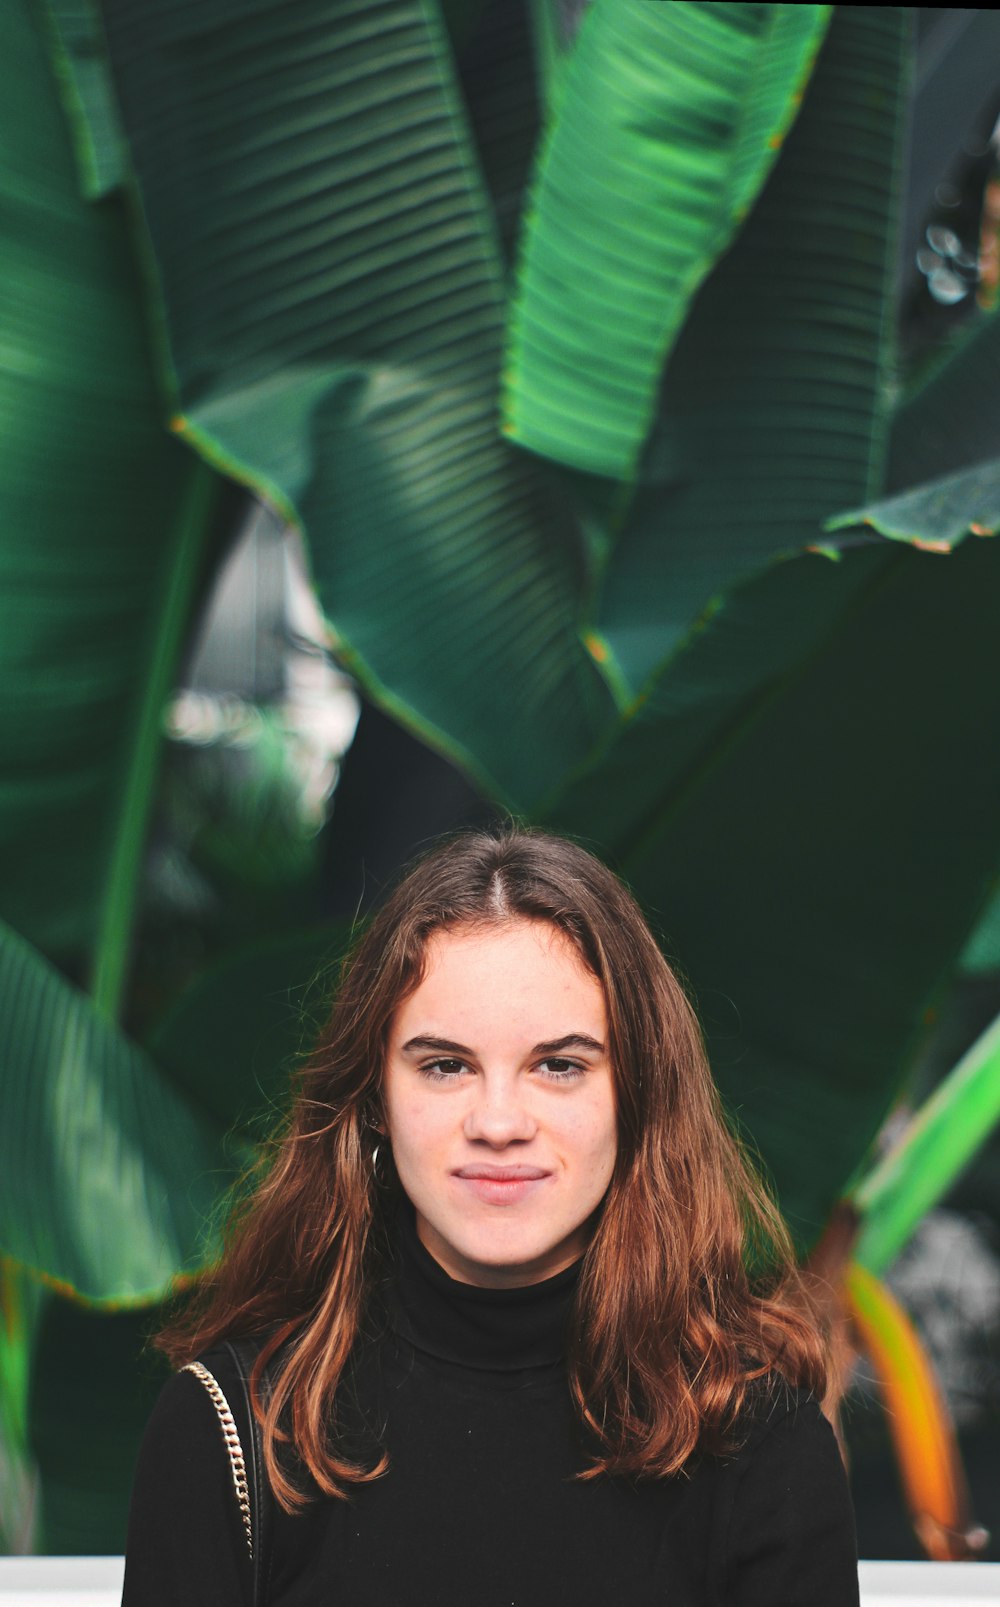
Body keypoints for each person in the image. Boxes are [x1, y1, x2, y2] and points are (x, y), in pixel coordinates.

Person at [121, 826, 859, 1606]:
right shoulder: (234, 1432)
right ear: (375, 1100)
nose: (499, 1121)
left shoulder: (758, 1439)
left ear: (637, 1096)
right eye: (445, 1065)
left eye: (559, 1065)